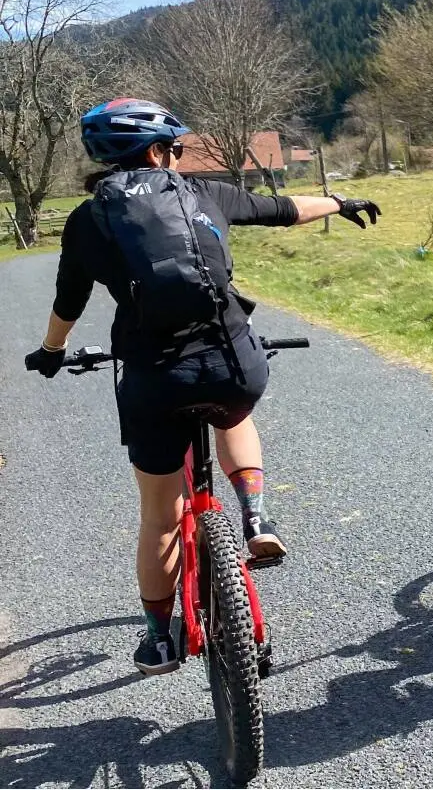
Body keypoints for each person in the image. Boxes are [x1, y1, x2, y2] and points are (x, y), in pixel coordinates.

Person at [24, 98, 383, 676]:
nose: (178, 156)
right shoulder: (202, 193)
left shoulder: (89, 219)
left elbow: (70, 300)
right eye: (175, 148)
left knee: (160, 516)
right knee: (234, 414)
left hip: (154, 378)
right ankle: (256, 517)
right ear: (157, 152)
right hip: (232, 363)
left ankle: (158, 639)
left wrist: (51, 351)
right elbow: (283, 209)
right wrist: (341, 202)